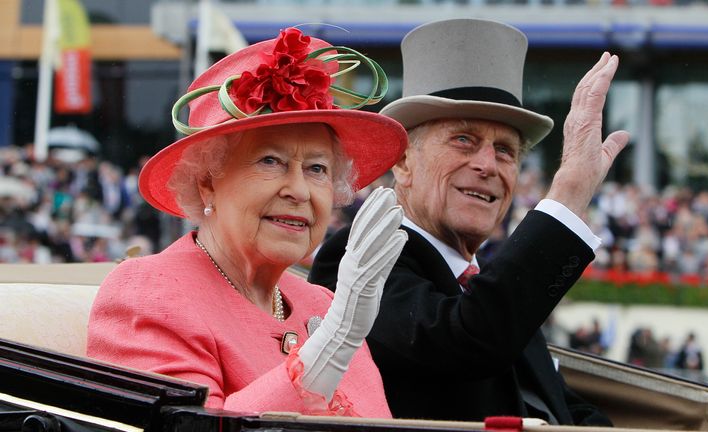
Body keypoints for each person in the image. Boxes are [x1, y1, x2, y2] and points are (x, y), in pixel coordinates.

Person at [309, 18, 629, 424]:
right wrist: (567, 197)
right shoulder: (356, 258)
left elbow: (561, 408)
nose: (486, 165)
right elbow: (466, 341)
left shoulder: (490, 286)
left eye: (505, 151)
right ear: (404, 161)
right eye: (464, 139)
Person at [87, 28, 409, 417]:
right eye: (270, 161)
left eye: (317, 168)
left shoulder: (321, 303)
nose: (300, 191)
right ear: (207, 182)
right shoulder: (147, 291)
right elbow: (189, 428)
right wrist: (330, 346)